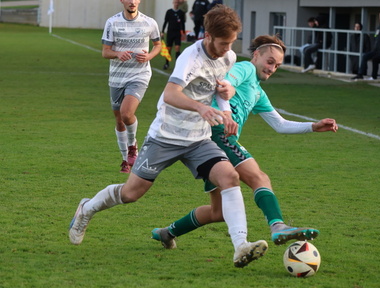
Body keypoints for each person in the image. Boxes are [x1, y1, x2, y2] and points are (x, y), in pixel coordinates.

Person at [69, 5, 268, 269]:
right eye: (223, 43)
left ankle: (240, 245)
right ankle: (87, 208)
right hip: (166, 136)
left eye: (231, 42)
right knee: (131, 194)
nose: (228, 48)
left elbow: (219, 90)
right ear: (207, 35)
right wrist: (200, 107)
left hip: (198, 139)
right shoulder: (191, 57)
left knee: (229, 177)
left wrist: (226, 111)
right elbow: (170, 94)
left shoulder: (228, 56)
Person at [151, 35, 338, 251]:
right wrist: (228, 94)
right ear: (256, 55)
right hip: (217, 133)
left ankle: (167, 233)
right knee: (259, 177)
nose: (272, 68)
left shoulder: (258, 92)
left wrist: (313, 126)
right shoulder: (245, 69)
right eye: (270, 61)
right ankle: (277, 225)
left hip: (210, 141)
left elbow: (279, 124)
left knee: (218, 212)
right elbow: (226, 81)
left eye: (277, 65)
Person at [101, 0, 161, 173]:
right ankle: (125, 159)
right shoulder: (112, 22)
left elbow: (158, 45)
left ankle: (133, 147)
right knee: (119, 119)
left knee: (127, 114)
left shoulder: (149, 22)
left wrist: (149, 56)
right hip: (117, 77)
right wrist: (118, 53)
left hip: (139, 75)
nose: (133, 2)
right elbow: (105, 51)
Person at [352, 11, 380, 80]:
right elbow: (375, 36)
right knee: (365, 56)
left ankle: (374, 76)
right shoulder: (378, 28)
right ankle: (360, 74)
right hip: (376, 50)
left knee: (376, 60)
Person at [161, 0, 186, 70]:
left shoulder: (181, 13)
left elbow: (183, 23)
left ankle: (177, 65)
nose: (176, 4)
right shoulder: (169, 12)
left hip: (177, 33)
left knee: (177, 48)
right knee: (169, 49)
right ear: (173, 3)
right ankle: (166, 63)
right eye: (175, 2)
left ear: (179, 4)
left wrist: (183, 32)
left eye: (177, 3)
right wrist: (162, 31)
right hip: (170, 33)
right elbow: (165, 22)